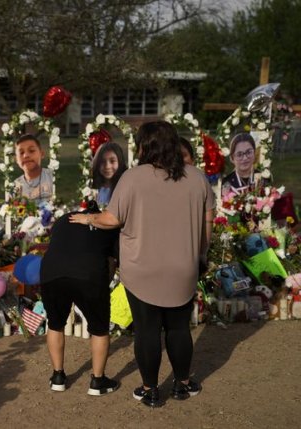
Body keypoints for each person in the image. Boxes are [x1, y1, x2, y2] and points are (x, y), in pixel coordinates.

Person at [70, 121, 214, 407]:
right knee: (179, 328)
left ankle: (150, 390)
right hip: (182, 267)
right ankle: (182, 384)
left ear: (145, 146)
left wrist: (87, 218)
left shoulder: (132, 178)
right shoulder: (198, 178)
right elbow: (207, 225)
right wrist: (200, 256)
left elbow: (112, 219)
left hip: (140, 269)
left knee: (147, 330)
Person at [40, 200, 120, 396]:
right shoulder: (108, 226)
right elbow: (114, 260)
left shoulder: (63, 220)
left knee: (55, 324)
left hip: (52, 272)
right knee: (99, 328)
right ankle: (97, 381)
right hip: (88, 274)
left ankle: (58, 376)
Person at [221, 133, 269, 198]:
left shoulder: (263, 178)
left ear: (255, 153)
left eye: (249, 152)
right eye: (239, 154)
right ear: (232, 158)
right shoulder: (226, 183)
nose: (245, 158)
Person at [13, 134, 54, 203]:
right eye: (21, 152)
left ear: (42, 154)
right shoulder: (16, 186)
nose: (26, 155)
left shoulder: (52, 177)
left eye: (31, 151)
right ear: (16, 159)